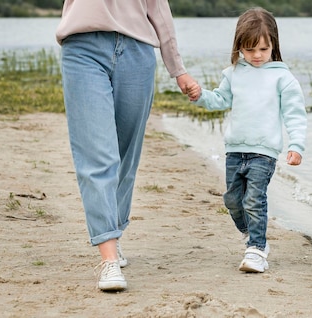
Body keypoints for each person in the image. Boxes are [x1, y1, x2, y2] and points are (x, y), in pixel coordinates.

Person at [55, 0, 197, 291]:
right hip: (83, 49)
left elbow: (159, 9)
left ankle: (114, 231)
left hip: (137, 51)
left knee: (125, 157)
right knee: (97, 157)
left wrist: (177, 69)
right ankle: (108, 258)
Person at [186, 7, 307, 273]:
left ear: (273, 44)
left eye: (263, 49)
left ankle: (256, 248)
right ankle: (252, 235)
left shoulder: (282, 78)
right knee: (232, 200)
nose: (256, 55)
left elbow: (295, 115)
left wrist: (296, 146)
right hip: (235, 150)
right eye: (250, 49)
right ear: (239, 46)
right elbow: (220, 99)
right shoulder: (233, 74)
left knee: (254, 199)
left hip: (264, 152)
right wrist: (200, 95)